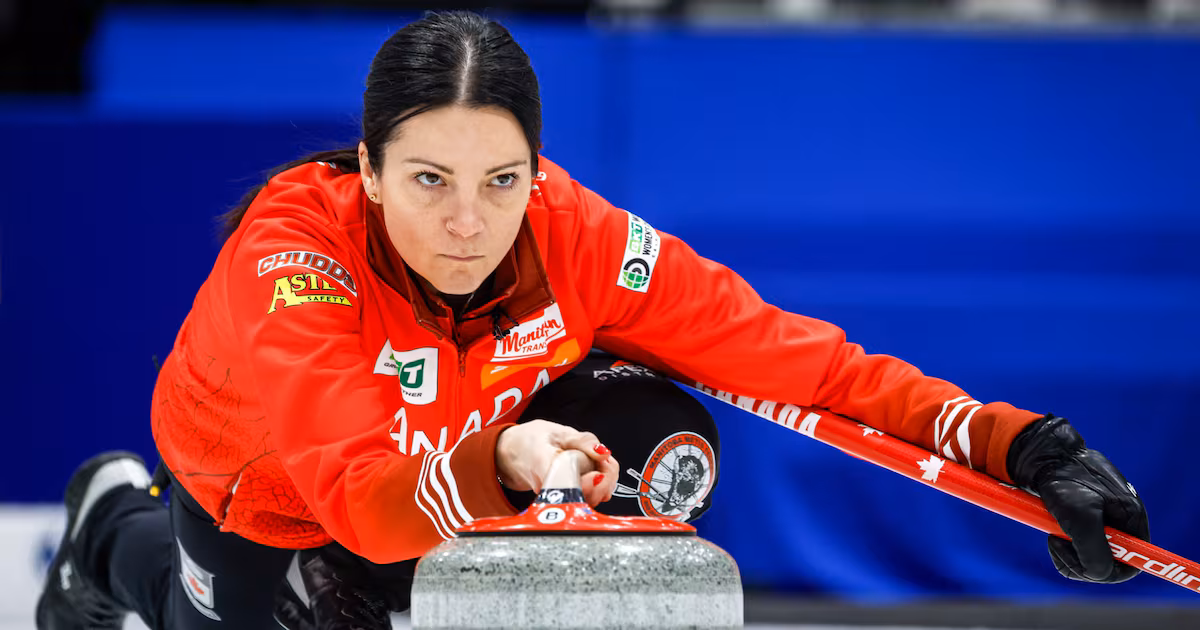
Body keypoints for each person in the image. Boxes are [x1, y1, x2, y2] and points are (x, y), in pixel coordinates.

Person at [36, 10, 1149, 630]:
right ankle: (110, 525)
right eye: (428, 181)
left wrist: (1019, 446)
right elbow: (361, 503)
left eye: (502, 180)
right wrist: (501, 459)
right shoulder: (297, 258)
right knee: (244, 610)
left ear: (537, 171)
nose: (468, 223)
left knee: (663, 439)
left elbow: (808, 369)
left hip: (459, 458)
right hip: (279, 492)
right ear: (368, 170)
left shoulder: (579, 238)